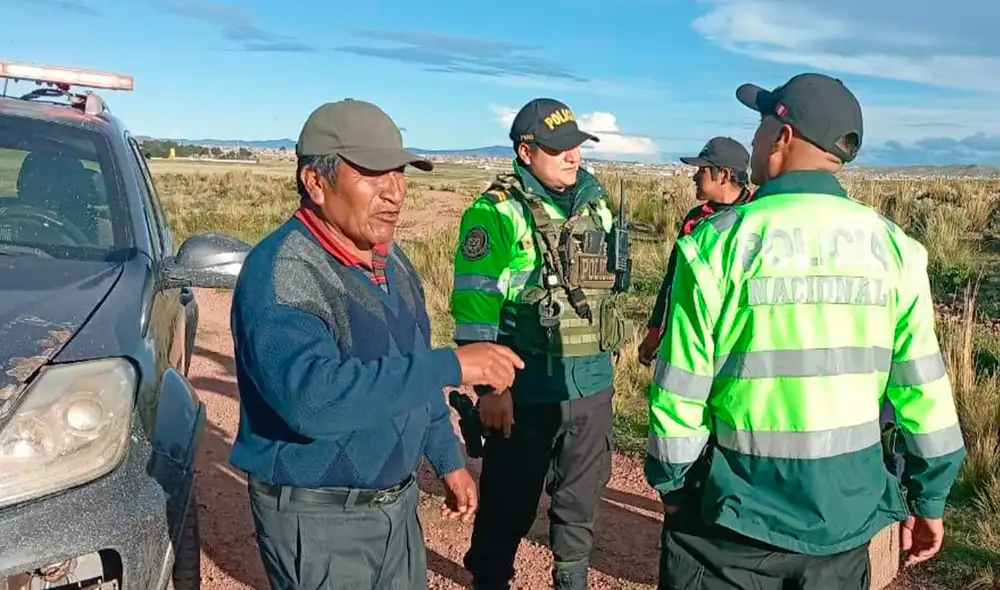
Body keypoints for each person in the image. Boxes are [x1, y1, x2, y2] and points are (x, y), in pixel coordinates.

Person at [645, 73, 967, 590]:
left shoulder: (714, 247)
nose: (753, 138)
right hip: (843, 520)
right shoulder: (896, 250)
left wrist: (675, 487)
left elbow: (679, 391)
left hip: (731, 522)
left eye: (761, 123)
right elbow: (924, 393)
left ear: (783, 138)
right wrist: (929, 500)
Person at [228, 98, 525, 590]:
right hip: (319, 519)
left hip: (396, 508)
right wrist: (452, 365)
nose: (394, 191)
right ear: (316, 183)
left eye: (400, 172)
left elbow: (410, 376)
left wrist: (448, 461)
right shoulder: (282, 273)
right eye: (371, 173)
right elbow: (314, 401)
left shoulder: (392, 263)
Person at [450, 97, 631, 590]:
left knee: (579, 505)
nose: (572, 156)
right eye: (558, 149)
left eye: (575, 146)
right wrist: (490, 391)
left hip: (592, 384)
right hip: (523, 388)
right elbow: (474, 306)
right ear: (525, 151)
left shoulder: (595, 202)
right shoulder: (495, 213)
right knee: (510, 504)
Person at [637, 136, 752, 367]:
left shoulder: (757, 217)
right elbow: (672, 279)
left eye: (702, 170)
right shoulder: (695, 220)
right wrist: (654, 331)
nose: (694, 177)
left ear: (724, 175)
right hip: (690, 337)